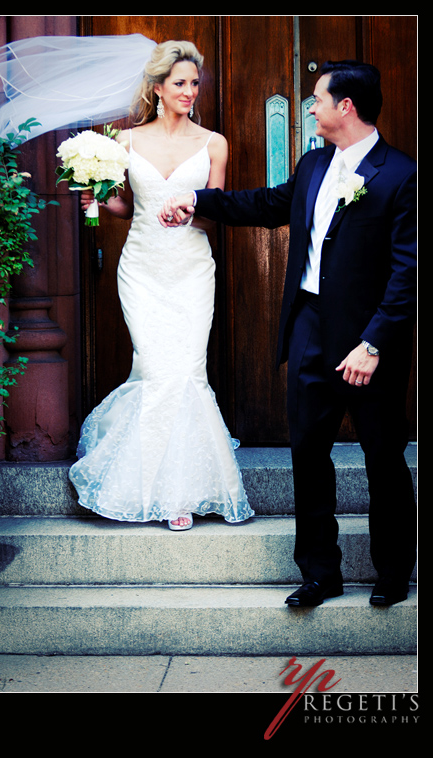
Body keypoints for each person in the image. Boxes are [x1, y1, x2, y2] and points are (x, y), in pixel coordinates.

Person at [159, 60, 417, 601]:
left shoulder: (401, 175)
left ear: (345, 106)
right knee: (307, 452)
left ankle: (393, 574)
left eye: (318, 99)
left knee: (383, 457)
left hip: (369, 342)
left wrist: (373, 344)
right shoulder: (314, 164)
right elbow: (267, 204)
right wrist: (198, 200)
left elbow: (408, 272)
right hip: (308, 329)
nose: (312, 108)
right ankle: (320, 572)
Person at [69, 41, 254, 531]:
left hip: (192, 267)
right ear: (157, 89)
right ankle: (153, 485)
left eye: (194, 83)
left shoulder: (214, 143)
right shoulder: (124, 142)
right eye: (180, 84)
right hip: (143, 267)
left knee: (188, 370)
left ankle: (184, 492)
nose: (190, 91)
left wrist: (195, 208)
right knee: (155, 369)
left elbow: (214, 212)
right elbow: (123, 208)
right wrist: (94, 198)